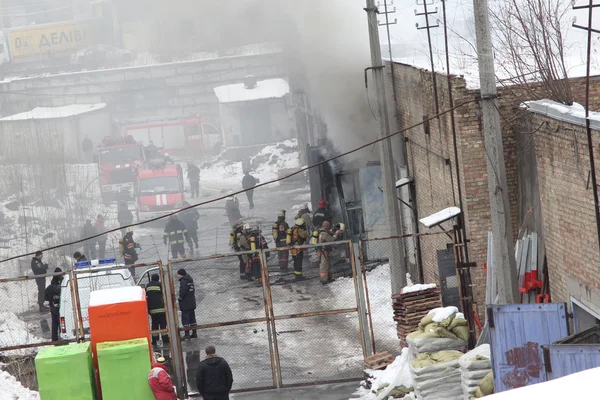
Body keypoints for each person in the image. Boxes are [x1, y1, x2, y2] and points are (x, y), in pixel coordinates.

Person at [146, 274, 169, 347]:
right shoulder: (159, 284)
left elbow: (147, 296)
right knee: (163, 324)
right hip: (161, 309)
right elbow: (164, 294)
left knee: (154, 325)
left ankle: (155, 340)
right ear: (158, 279)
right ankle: (165, 339)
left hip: (152, 310)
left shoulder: (148, 286)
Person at [177, 269, 197, 340]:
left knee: (185, 319)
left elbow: (183, 291)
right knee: (192, 319)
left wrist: (180, 298)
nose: (177, 276)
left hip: (185, 304)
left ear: (181, 274)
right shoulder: (190, 280)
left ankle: (187, 334)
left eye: (178, 274)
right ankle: (194, 333)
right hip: (191, 302)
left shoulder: (184, 281)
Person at [45, 268, 63, 342]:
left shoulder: (50, 287)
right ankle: (63, 337)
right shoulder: (62, 284)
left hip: (53, 307)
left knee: (54, 323)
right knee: (62, 323)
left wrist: (51, 299)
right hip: (61, 306)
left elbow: (45, 297)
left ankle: (54, 338)